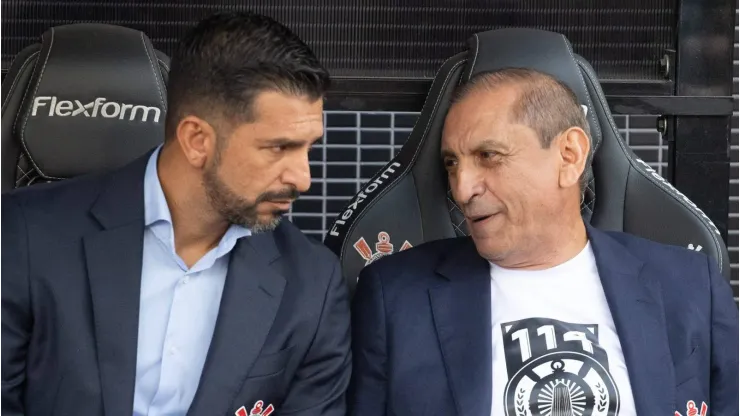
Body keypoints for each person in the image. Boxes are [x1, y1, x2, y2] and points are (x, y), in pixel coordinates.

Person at [2, 12, 351, 416]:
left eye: (309, 148)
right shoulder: (24, 236)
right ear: (196, 140)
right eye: (279, 148)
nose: (303, 178)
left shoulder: (313, 284)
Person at [348, 68, 738, 416]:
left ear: (569, 156)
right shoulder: (397, 296)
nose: (462, 189)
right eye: (452, 164)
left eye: (489, 155)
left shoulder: (688, 286)